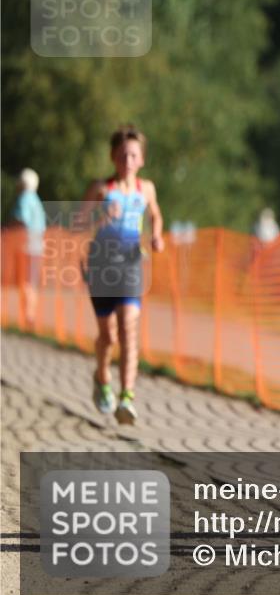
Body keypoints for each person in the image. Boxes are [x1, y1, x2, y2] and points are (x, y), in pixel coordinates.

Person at [83, 125, 165, 424]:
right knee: (108, 335)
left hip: (131, 264)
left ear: (141, 159)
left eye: (133, 155)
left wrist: (156, 235)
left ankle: (127, 396)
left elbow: (155, 214)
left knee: (129, 328)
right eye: (121, 155)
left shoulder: (147, 189)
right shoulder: (101, 189)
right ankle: (101, 377)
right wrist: (100, 216)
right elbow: (78, 222)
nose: (127, 161)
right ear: (112, 157)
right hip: (101, 267)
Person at [11, 168, 46, 330]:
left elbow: (21, 221)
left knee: (24, 282)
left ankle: (28, 316)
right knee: (31, 282)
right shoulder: (36, 200)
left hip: (26, 247)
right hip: (38, 247)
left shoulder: (24, 198)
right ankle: (30, 315)